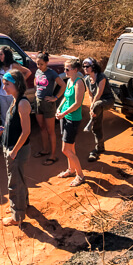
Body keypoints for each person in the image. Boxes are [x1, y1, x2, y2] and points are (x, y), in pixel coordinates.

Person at [1, 69, 33, 226]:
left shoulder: (22, 103)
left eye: (7, 84)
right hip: (13, 147)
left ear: (17, 84)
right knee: (19, 179)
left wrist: (13, 152)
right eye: (3, 84)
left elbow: (26, 131)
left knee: (14, 183)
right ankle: (22, 205)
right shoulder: (15, 100)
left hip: (17, 150)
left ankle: (17, 217)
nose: (4, 88)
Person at [55, 58, 87, 187]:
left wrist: (63, 113)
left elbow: (77, 104)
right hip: (65, 117)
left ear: (75, 70)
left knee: (65, 150)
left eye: (67, 69)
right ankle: (71, 169)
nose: (65, 71)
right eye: (65, 69)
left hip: (73, 119)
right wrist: (59, 108)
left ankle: (80, 175)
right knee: (71, 147)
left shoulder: (79, 83)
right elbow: (66, 98)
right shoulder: (69, 81)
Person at [32, 53, 65, 166]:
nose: (39, 66)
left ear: (46, 63)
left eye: (41, 64)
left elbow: (62, 85)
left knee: (51, 130)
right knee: (42, 127)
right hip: (38, 102)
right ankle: (45, 150)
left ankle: (53, 155)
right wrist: (36, 91)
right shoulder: (38, 71)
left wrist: (55, 98)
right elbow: (35, 81)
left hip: (48, 104)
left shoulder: (51, 73)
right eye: (37, 64)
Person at [82, 57, 115, 162]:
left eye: (87, 66)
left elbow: (99, 93)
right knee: (97, 124)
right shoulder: (87, 79)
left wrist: (92, 106)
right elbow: (91, 95)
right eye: (84, 66)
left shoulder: (101, 77)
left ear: (93, 67)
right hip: (97, 104)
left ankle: (91, 120)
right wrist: (92, 106)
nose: (85, 68)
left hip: (107, 100)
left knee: (96, 105)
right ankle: (100, 147)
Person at [0, 47, 32, 126]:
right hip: (2, 94)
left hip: (12, 95)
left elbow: (28, 72)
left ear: (6, 55)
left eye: (1, 54)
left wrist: (18, 82)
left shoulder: (13, 65)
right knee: (4, 116)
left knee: (14, 114)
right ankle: (6, 133)